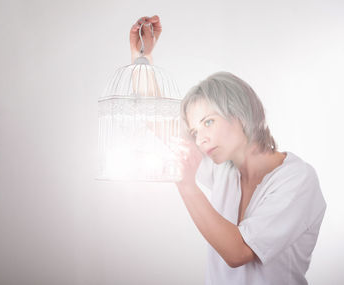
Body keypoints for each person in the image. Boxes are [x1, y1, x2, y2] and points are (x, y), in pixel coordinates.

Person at [130, 16, 326, 285]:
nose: (200, 139)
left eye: (208, 121)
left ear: (240, 114)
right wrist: (142, 57)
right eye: (196, 131)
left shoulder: (297, 180)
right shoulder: (223, 167)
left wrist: (187, 186)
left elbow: (239, 252)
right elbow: (157, 121)